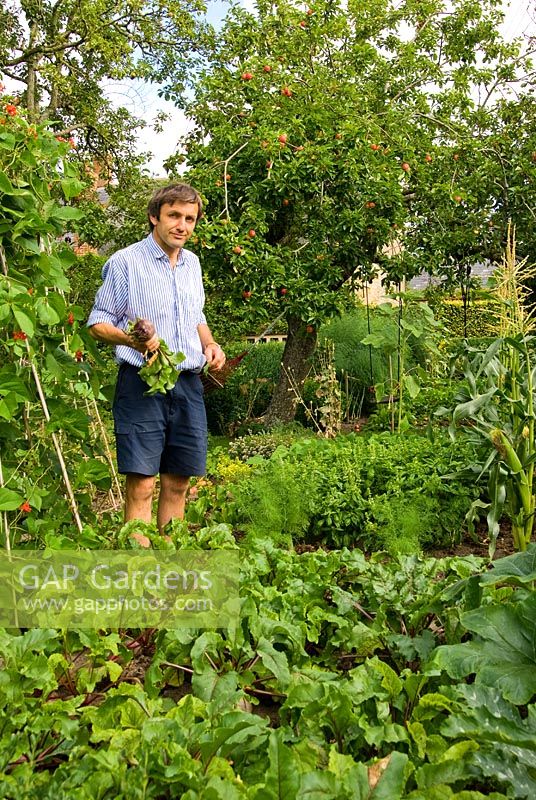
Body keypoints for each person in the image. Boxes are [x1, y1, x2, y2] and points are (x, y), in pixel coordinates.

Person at [87, 182, 225, 531]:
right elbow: (97, 323)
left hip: (188, 384)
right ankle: (140, 574)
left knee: (179, 481)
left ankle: (168, 571)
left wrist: (210, 344)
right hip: (141, 384)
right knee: (142, 485)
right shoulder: (126, 263)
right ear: (154, 217)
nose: (182, 225)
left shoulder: (192, 264)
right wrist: (133, 342)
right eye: (174, 215)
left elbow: (196, 317)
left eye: (190, 219)